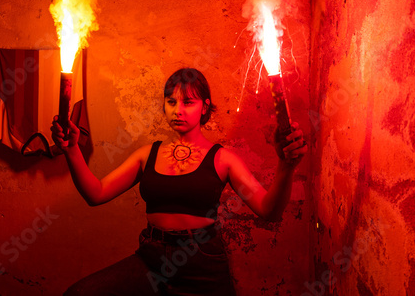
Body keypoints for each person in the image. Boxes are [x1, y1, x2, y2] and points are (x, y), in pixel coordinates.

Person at [51, 67, 307, 296]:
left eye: (188, 102)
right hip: (151, 259)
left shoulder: (223, 159)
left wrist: (286, 166)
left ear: (205, 107)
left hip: (202, 265)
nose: (178, 110)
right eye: (171, 101)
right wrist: (72, 150)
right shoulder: (147, 154)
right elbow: (96, 194)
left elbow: (269, 211)